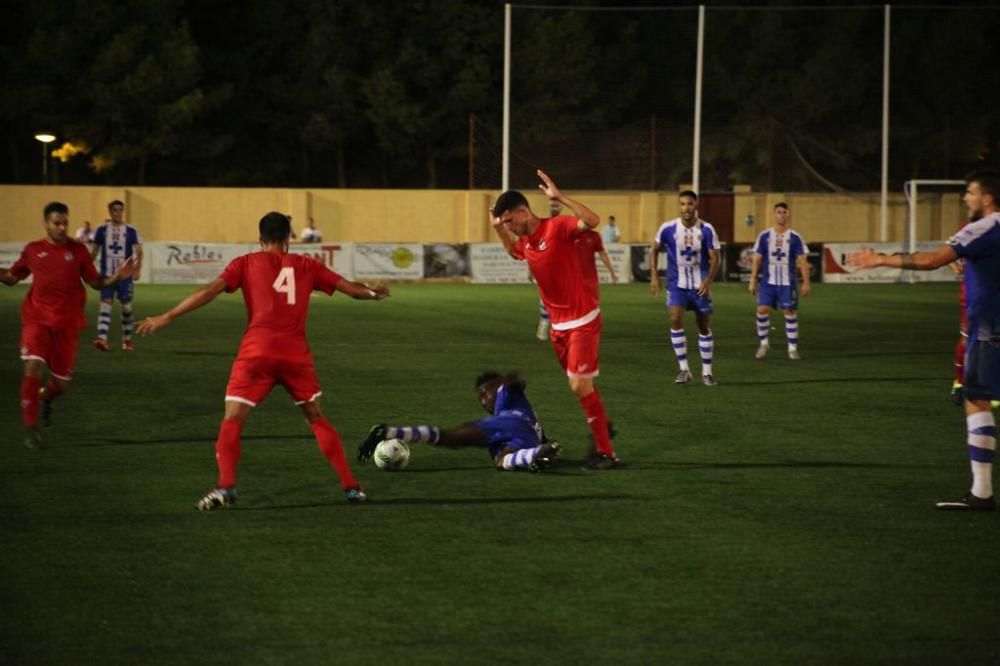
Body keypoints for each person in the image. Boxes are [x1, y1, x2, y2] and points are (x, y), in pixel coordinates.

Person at [136, 212, 390, 510]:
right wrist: (373, 293)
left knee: (232, 420)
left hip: (256, 353)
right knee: (316, 418)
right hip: (296, 356)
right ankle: (351, 488)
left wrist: (167, 316)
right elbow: (351, 289)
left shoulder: (245, 263)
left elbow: (209, 292)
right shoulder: (308, 265)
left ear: (260, 240)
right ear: (288, 240)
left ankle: (226, 486)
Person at [850, 169, 1000, 511]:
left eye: (971, 192)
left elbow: (932, 260)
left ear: (987, 198)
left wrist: (880, 259)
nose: (966, 198)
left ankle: (982, 492)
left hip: (990, 331)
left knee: (976, 399)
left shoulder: (985, 226)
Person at [491, 169, 619, 470]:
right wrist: (497, 226)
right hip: (559, 328)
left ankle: (606, 452)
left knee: (578, 385)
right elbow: (513, 251)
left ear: (523, 212)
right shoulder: (527, 243)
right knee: (583, 386)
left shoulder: (557, 228)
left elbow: (592, 221)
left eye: (510, 221)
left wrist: (560, 197)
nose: (509, 227)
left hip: (583, 321)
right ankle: (603, 426)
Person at [0, 202, 138, 448]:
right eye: (57, 223)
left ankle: (45, 398)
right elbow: (11, 278)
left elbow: (95, 282)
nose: (62, 228)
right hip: (37, 320)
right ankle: (31, 428)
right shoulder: (33, 250)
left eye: (65, 223)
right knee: (32, 366)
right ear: (45, 223)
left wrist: (117, 277)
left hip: (68, 324)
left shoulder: (79, 251)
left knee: (61, 385)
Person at [357, 372, 561, 472]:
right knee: (502, 461)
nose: (483, 400)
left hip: (507, 424)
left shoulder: (504, 392)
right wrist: (545, 449)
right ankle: (534, 457)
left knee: (450, 437)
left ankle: (389, 432)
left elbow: (514, 381)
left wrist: (507, 381)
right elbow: (543, 437)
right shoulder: (526, 410)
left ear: (494, 385)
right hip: (526, 440)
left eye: (484, 393)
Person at [650, 190, 721, 385]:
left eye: (689, 204)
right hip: (676, 285)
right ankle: (684, 370)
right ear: (679, 206)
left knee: (703, 325)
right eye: (682, 204)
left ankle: (707, 372)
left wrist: (708, 281)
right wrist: (654, 275)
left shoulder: (706, 229)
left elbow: (716, 257)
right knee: (674, 318)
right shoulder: (668, 228)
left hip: (700, 286)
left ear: (696, 205)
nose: (686, 208)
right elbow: (654, 250)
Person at [749, 202, 811, 360]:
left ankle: (792, 348)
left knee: (789, 313)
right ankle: (763, 343)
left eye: (784, 212)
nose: (781, 215)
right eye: (778, 212)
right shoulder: (764, 236)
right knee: (762, 310)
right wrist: (753, 280)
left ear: (788, 215)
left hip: (787, 282)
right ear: (774, 214)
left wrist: (806, 282)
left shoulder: (795, 237)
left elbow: (802, 261)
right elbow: (757, 259)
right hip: (768, 282)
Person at [91, 200, 143, 352]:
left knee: (126, 308)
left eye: (120, 210)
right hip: (106, 276)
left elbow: (139, 252)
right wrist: (86, 269)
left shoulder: (131, 230)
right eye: (114, 210)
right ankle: (102, 338)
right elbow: (94, 252)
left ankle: (127, 340)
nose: (118, 213)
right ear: (109, 212)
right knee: (105, 305)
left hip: (124, 277)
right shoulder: (101, 230)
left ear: (123, 211)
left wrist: (137, 269)